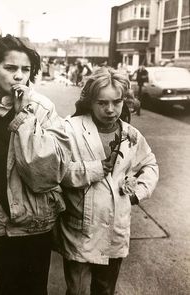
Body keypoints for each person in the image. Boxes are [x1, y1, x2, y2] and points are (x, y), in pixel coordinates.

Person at [0, 34, 71, 295]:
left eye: (25, 70)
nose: (19, 76)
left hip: (34, 220)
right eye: (10, 68)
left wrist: (24, 117)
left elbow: (47, 173)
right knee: (8, 287)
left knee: (34, 288)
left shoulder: (42, 107)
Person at [54, 67, 159, 295]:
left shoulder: (131, 134)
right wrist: (92, 170)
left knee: (105, 289)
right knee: (77, 289)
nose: (111, 110)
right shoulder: (70, 129)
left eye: (117, 102)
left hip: (115, 227)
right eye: (102, 103)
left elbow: (149, 165)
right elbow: (56, 171)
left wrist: (137, 193)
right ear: (90, 101)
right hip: (80, 228)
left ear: (125, 101)